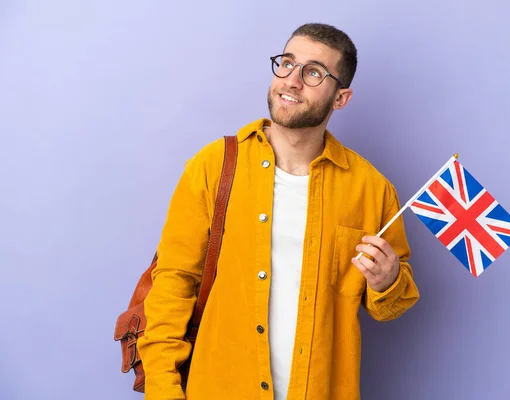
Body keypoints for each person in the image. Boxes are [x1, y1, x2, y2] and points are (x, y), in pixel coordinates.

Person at [137, 22, 420, 400]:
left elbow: (391, 307)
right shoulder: (213, 167)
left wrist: (387, 282)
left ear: (341, 98)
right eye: (287, 63)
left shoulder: (371, 189)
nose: (292, 80)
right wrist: (164, 391)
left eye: (314, 72)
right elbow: (172, 285)